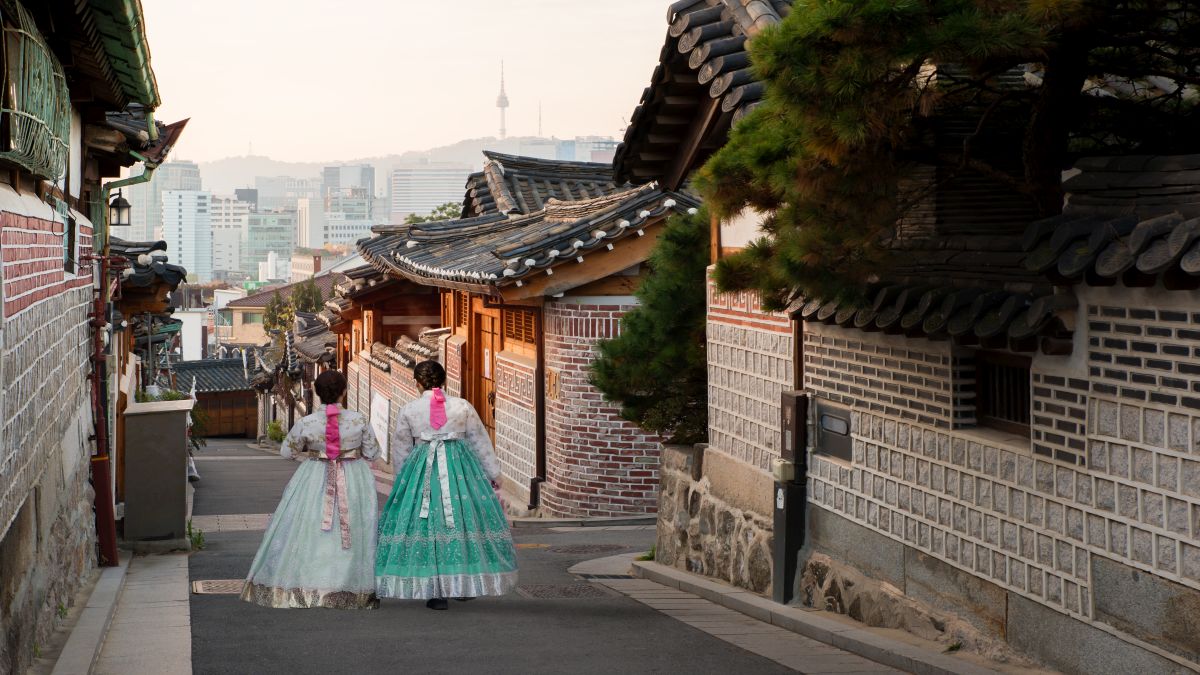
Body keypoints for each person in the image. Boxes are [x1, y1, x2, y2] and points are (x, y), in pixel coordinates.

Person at [376, 360, 518, 610]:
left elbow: (401, 448)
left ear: (417, 383)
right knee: (463, 520)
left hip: (422, 469)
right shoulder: (462, 406)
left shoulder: (409, 409)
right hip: (461, 470)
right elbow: (479, 442)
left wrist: (403, 480)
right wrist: (493, 473)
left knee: (427, 525)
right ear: (444, 381)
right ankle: (462, 583)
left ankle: (435, 591)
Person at [241, 370, 381, 609]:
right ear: (344, 392)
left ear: (317, 392)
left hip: (315, 474)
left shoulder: (307, 422)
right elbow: (373, 453)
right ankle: (351, 586)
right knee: (352, 527)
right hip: (353, 476)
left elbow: (288, 452)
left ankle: (308, 584)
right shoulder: (359, 420)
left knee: (311, 527)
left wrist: (315, 449)